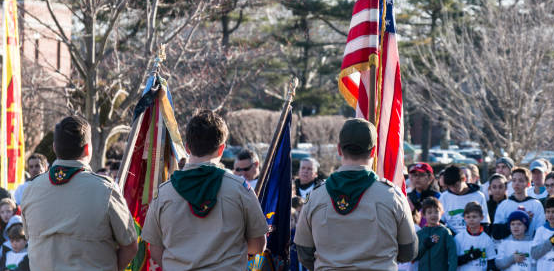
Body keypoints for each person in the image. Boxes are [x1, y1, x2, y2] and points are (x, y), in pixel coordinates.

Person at [142, 110, 269, 269]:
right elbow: (258, 246)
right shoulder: (240, 190)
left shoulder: (163, 193)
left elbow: (155, 250)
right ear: (222, 149)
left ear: (187, 148)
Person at [294, 118, 418, 270]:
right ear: (373, 151)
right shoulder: (392, 196)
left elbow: (304, 252)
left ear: (339, 149)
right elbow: (408, 251)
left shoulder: (315, 196)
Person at [21, 115, 138, 271]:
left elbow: (30, 238)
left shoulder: (30, 190)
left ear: (54, 148)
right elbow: (130, 246)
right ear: (88, 148)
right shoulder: (105, 189)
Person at [493, 167, 545, 239]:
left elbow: (540, 232)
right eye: (514, 180)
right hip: (509, 246)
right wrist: (518, 219)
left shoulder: (536, 204)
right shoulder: (504, 205)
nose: (516, 183)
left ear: (528, 183)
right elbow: (496, 234)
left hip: (529, 246)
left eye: (521, 181)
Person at [439, 165, 489, 235]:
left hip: (473, 237)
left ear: (464, 179)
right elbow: (440, 221)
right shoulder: (444, 197)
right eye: (450, 186)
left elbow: (484, 222)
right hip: (451, 239)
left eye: (456, 185)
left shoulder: (478, 196)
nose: (453, 189)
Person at [416, 197, 457, 271]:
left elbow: (452, 256)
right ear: (424, 215)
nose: (433, 215)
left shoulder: (445, 232)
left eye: (436, 212)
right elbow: (415, 256)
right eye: (429, 212)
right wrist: (425, 245)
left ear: (441, 213)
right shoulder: (420, 233)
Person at [454, 202, 495, 270]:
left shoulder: (487, 239)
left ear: (482, 218)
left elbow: (491, 262)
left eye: (474, 216)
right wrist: (469, 256)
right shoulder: (458, 238)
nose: (471, 219)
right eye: (468, 217)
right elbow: (453, 262)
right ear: (464, 218)